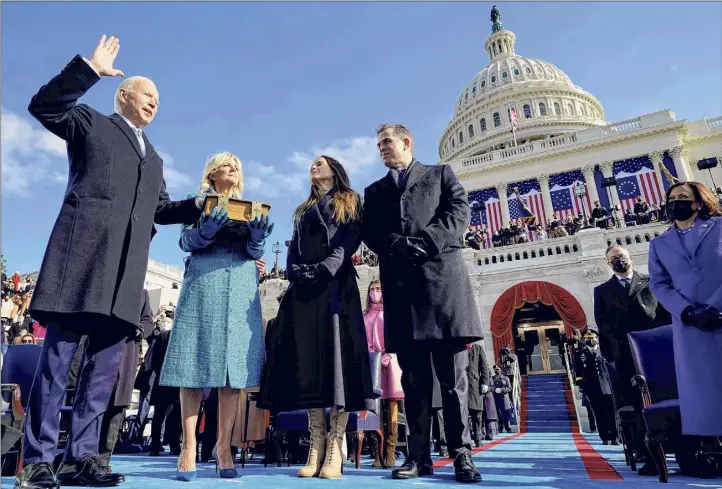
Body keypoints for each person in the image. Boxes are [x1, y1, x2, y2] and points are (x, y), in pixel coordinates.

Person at [16, 35, 202, 489]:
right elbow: (45, 106)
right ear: (123, 95)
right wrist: (89, 69)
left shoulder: (154, 157)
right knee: (57, 365)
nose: (155, 102)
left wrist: (199, 205)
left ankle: (81, 458)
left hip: (124, 277)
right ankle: (37, 460)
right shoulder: (90, 123)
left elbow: (159, 209)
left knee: (101, 378)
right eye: (148, 95)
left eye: (159, 99)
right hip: (79, 263)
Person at [361, 123, 483, 483]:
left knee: (453, 383)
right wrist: (396, 245)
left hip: (443, 289)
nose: (382, 148)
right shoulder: (375, 190)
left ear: (406, 142)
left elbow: (458, 213)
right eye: (378, 144)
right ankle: (418, 457)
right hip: (403, 295)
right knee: (413, 384)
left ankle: (461, 454)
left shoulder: (440, 174)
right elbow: (371, 231)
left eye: (386, 141)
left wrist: (427, 241)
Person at [257, 155, 377, 480]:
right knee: (309, 366)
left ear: (335, 170)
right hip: (305, 291)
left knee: (335, 362)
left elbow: (350, 239)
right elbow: (294, 244)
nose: (314, 166)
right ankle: (316, 443)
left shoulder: (350, 200)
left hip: (336, 287)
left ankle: (335, 445)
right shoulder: (302, 209)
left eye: (320, 163)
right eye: (312, 163)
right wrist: (297, 270)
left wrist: (326, 268)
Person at [159, 152, 273, 481]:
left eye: (237, 165)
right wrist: (205, 233)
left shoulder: (251, 208)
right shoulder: (199, 205)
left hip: (240, 283)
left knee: (232, 371)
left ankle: (224, 447)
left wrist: (257, 239)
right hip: (204, 279)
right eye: (227, 164)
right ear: (212, 174)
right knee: (193, 364)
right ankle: (188, 445)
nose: (234, 168)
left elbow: (254, 253)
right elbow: (184, 241)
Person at [648, 181, 722, 438]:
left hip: (719, 314)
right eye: (671, 198)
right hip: (691, 326)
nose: (675, 202)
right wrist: (688, 312)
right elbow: (659, 284)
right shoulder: (659, 244)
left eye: (682, 197)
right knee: (705, 391)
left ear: (698, 202)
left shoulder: (720, 227)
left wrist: (713, 307)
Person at [593, 244, 670, 474]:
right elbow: (603, 325)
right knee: (638, 404)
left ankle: (680, 448)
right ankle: (648, 454)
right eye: (614, 258)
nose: (619, 260)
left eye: (622, 256)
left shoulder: (649, 281)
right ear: (608, 264)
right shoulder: (602, 291)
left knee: (662, 397)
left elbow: (664, 315)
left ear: (630, 257)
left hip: (654, 351)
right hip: (626, 355)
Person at [363, 279, 404, 468]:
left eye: (378, 289)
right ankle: (377, 453)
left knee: (392, 407)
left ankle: (390, 451)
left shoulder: (390, 313)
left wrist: (387, 353)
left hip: (390, 361)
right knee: (376, 408)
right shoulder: (364, 315)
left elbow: (395, 335)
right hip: (373, 364)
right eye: (372, 290)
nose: (375, 292)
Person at [573, 332, 617, 444]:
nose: (591, 340)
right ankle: (605, 437)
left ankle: (614, 436)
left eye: (593, 338)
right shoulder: (580, 354)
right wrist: (582, 386)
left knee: (611, 412)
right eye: (589, 339)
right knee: (599, 413)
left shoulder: (604, 352)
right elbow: (578, 373)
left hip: (607, 387)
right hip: (592, 388)